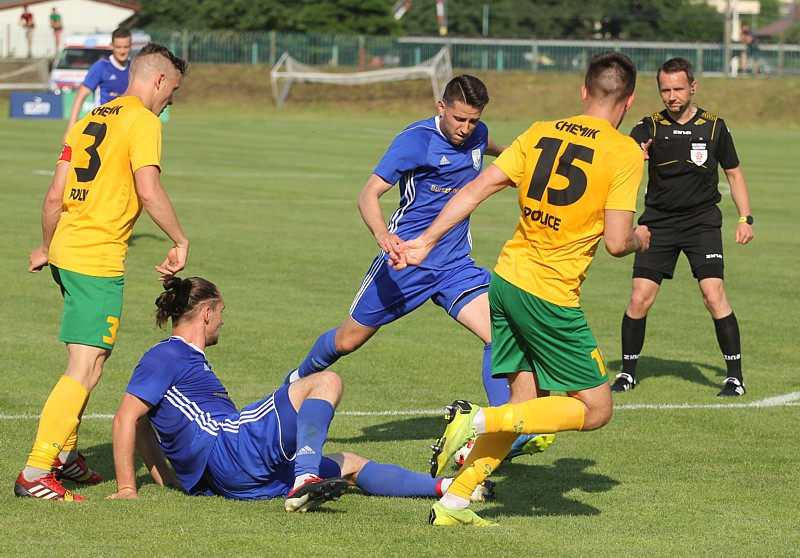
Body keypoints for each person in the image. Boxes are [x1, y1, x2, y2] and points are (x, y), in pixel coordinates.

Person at [394, 51, 648, 526]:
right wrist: (642, 237)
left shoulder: (539, 130)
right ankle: (476, 421)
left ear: (583, 91)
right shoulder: (624, 151)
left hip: (506, 280)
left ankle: (454, 502)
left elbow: (474, 190)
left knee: (523, 404)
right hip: (549, 294)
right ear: (629, 100)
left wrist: (425, 241)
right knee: (595, 409)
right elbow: (617, 243)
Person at [284, 74, 552, 460]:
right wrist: (383, 236)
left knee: (501, 334)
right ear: (441, 107)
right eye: (458, 118)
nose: (465, 129)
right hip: (405, 262)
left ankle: (505, 432)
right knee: (347, 341)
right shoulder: (415, 141)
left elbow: (493, 147)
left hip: (455, 264)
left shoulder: (477, 133)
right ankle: (296, 381)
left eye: (473, 120)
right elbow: (368, 194)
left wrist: (514, 156)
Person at [109, 277, 494, 512]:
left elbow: (143, 423)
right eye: (222, 311)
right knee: (326, 382)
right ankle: (305, 477)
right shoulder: (166, 354)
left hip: (238, 479)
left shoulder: (187, 360)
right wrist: (128, 487)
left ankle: (450, 487)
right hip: (229, 447)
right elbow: (127, 417)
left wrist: (166, 479)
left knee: (350, 462)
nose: (224, 319)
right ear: (206, 313)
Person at [15, 43, 190, 501]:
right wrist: (179, 239)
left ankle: (66, 455)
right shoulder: (143, 120)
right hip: (96, 258)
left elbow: (56, 194)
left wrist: (49, 247)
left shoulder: (90, 118)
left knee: (93, 361)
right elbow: (148, 189)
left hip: (69, 251)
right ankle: (37, 471)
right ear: (157, 80)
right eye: (172, 88)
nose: (171, 99)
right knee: (85, 365)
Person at [611, 57, 754, 398]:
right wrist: (635, 152)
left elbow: (733, 173)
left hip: (701, 222)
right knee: (639, 298)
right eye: (665, 90)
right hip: (658, 223)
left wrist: (745, 217)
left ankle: (734, 377)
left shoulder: (715, 127)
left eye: (678, 88)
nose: (672, 96)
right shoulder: (650, 126)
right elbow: (627, 149)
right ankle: (628, 373)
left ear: (693, 86)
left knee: (713, 294)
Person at [64, 28, 133, 142]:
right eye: (118, 47)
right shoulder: (100, 67)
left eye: (125, 47)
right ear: (111, 46)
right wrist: (70, 129)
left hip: (124, 127)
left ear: (131, 46)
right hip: (101, 127)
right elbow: (80, 97)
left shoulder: (133, 69)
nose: (122, 51)